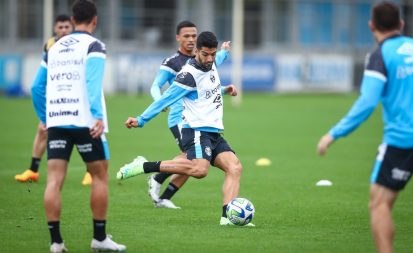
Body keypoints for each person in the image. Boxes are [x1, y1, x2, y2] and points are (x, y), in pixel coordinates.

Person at [117, 31, 254, 227]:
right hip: (196, 131)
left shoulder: (212, 61)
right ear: (196, 51)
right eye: (205, 54)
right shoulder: (188, 76)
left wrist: (224, 54)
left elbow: (213, 73)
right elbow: (165, 99)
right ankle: (144, 166)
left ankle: (227, 218)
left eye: (213, 54)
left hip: (214, 132)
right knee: (199, 170)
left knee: (235, 168)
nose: (209, 59)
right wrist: (141, 120)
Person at [317, 2, 413, 252]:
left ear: (371, 25)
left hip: (403, 141)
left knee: (379, 204)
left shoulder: (380, 56)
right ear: (402, 25)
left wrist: (333, 134)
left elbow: (367, 103)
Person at [31, 0, 125, 252]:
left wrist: (46, 118)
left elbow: (36, 88)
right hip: (85, 122)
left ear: (72, 20)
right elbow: (92, 83)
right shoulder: (94, 45)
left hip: (58, 120)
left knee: (53, 181)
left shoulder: (54, 46)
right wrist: (97, 116)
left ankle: (56, 242)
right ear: (95, 20)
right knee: (100, 177)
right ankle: (99, 238)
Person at [147, 20, 231, 209]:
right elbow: (156, 85)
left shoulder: (204, 58)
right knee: (192, 160)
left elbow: (210, 80)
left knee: (193, 161)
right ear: (178, 37)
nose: (191, 39)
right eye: (186, 36)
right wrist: (158, 101)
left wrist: (225, 51)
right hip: (180, 118)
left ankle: (164, 195)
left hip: (199, 117)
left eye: (194, 35)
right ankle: (157, 177)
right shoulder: (172, 62)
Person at [15, 14, 92, 186]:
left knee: (86, 131)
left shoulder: (80, 44)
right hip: (57, 96)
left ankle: (90, 172)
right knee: (43, 130)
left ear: (72, 27)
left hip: (77, 96)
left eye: (67, 27)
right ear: (54, 28)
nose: (64, 30)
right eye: (60, 27)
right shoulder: (50, 45)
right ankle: (33, 170)